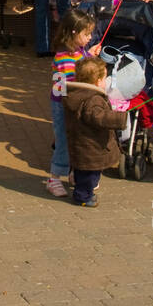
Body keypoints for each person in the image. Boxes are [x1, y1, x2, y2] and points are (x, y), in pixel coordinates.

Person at [46, 8, 100, 199]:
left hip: (72, 103)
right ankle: (54, 178)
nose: (90, 37)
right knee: (63, 140)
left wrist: (90, 56)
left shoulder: (79, 51)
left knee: (75, 139)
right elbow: (62, 87)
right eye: (87, 34)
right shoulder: (64, 57)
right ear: (74, 32)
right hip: (64, 104)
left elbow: (82, 66)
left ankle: (73, 173)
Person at [62, 55, 128, 208]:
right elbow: (98, 117)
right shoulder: (93, 99)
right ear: (97, 81)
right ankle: (82, 197)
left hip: (81, 144)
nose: (106, 82)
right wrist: (119, 118)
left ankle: (82, 190)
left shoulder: (75, 94)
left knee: (83, 171)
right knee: (90, 174)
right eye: (105, 78)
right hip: (91, 146)